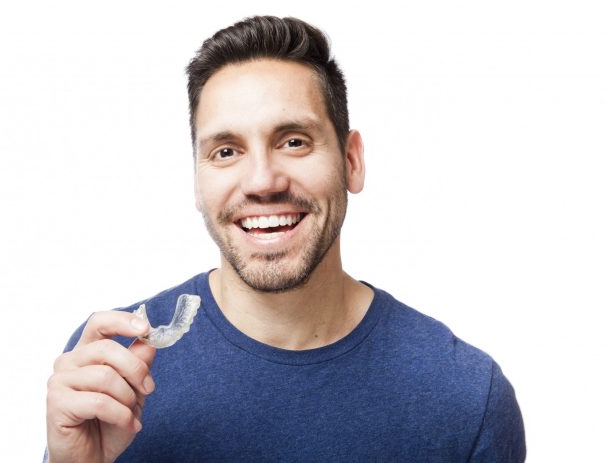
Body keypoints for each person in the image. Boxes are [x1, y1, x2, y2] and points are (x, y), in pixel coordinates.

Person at [45, 15, 526, 463]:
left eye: (293, 141)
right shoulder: (111, 367)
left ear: (352, 161)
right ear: (197, 180)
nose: (261, 181)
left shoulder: (466, 398)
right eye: (226, 150)